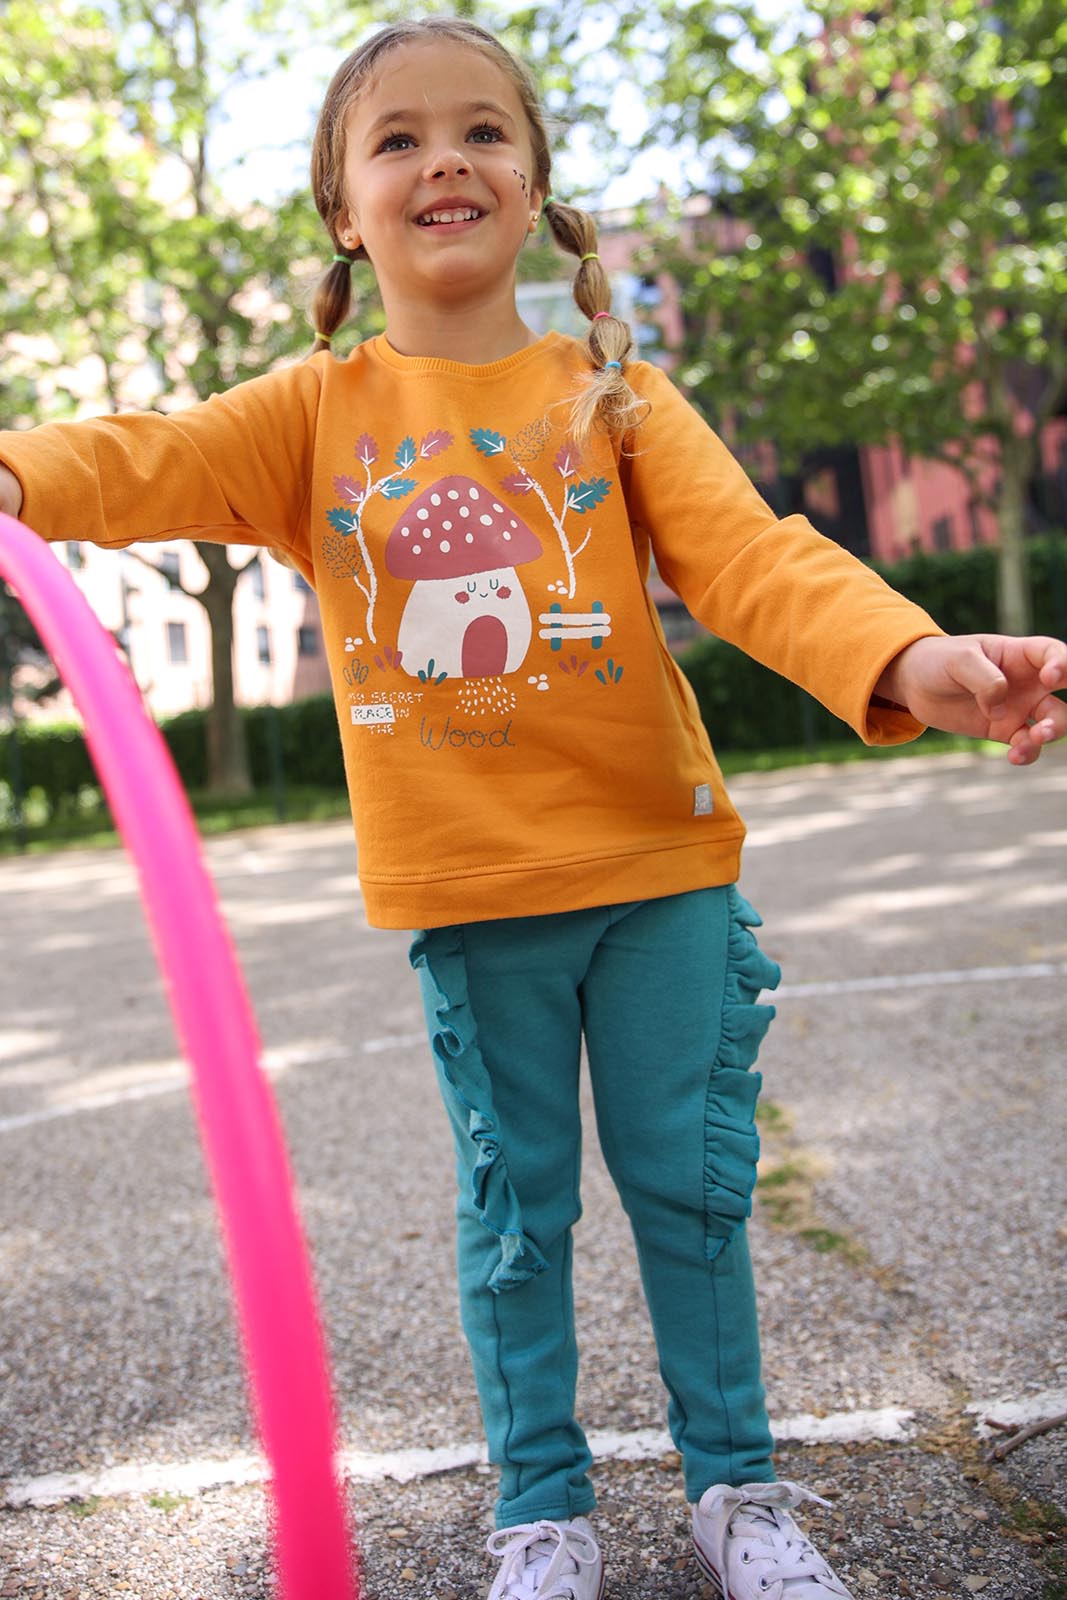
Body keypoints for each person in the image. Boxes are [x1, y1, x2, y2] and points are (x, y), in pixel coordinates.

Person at [1, 17, 1064, 1599]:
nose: (448, 158)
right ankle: (541, 1513)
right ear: (345, 210)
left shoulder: (612, 394)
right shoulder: (310, 417)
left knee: (692, 1190)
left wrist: (918, 654)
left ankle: (740, 1495)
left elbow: (760, 559)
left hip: (660, 872)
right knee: (518, 1217)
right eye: (401, 139)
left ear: (541, 190)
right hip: (473, 889)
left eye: (487, 132)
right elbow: (138, 458)